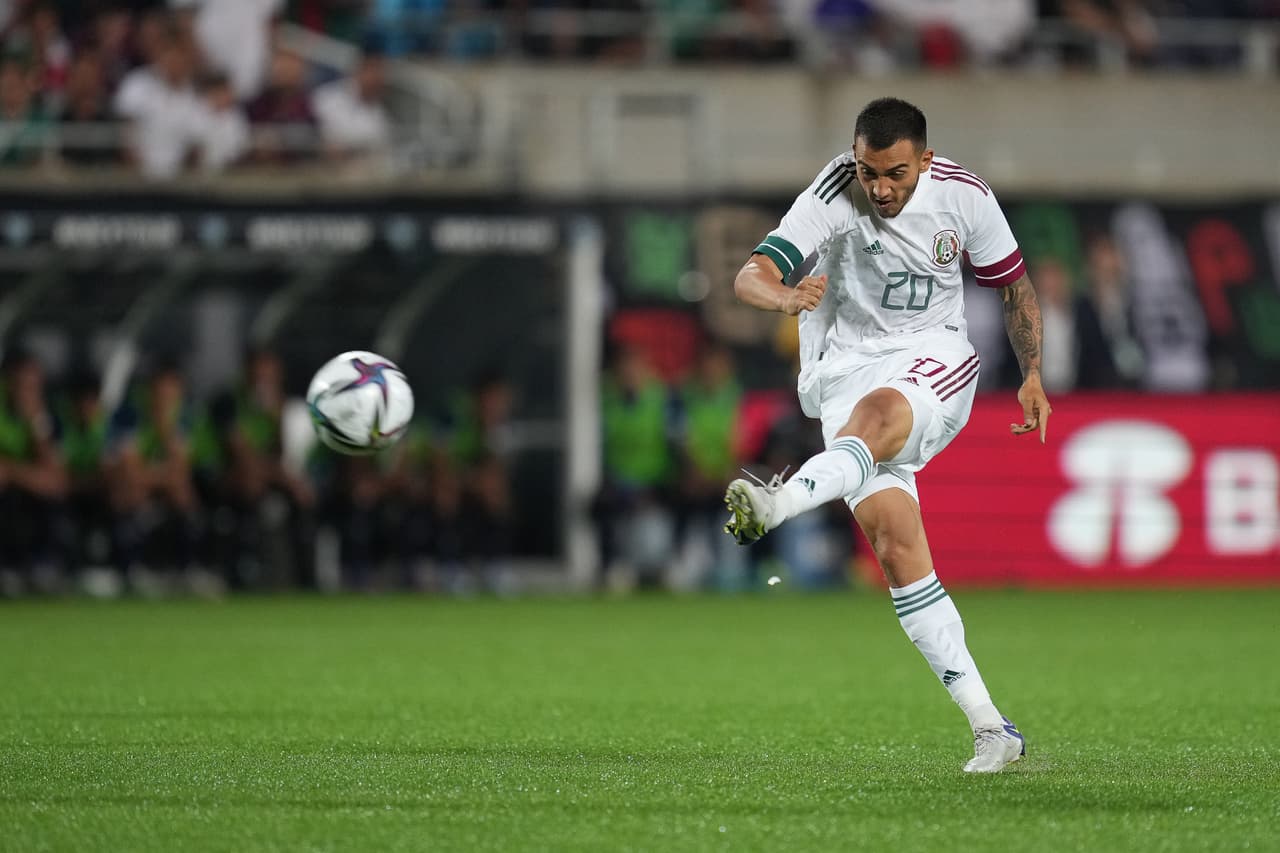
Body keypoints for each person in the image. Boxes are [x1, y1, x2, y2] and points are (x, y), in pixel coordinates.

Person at [722, 97, 1051, 774]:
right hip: (842, 370)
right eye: (870, 170)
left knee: (876, 417)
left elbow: (1014, 289)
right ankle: (993, 727)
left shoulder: (965, 198)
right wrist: (785, 296)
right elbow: (749, 274)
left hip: (933, 356)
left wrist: (1033, 374)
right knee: (897, 546)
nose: (879, 187)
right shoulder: (834, 189)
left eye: (895, 173)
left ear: (924, 160)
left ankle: (778, 504)